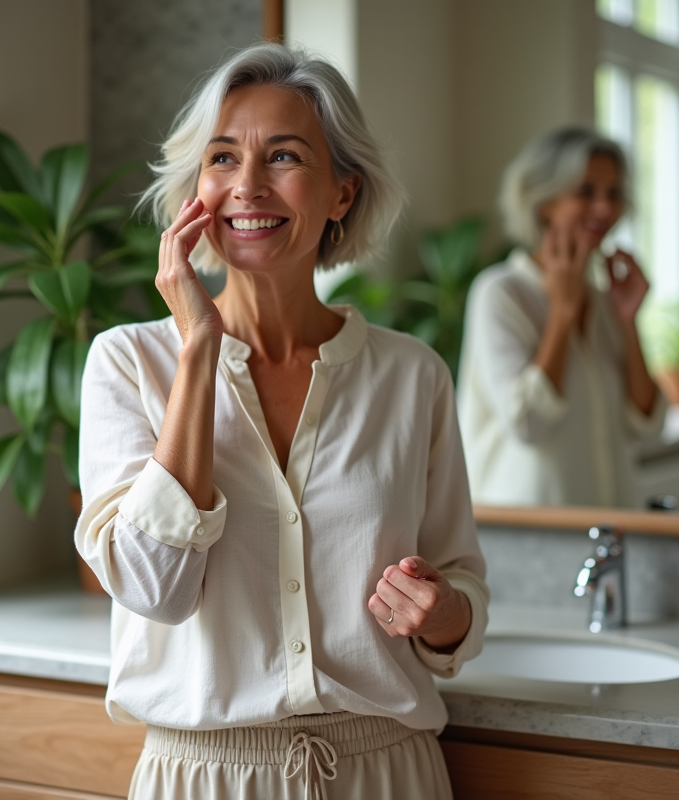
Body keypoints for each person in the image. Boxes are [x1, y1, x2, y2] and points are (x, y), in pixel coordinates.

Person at [75, 43, 489, 800]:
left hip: (385, 773)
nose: (247, 187)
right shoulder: (128, 364)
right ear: (193, 191)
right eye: (222, 158)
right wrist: (198, 352)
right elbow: (151, 587)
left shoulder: (412, 375)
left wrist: (444, 613)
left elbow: (459, 582)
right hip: (201, 777)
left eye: (285, 157)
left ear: (342, 193)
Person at [456, 127, 666, 508]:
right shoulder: (500, 293)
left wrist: (628, 320)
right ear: (542, 201)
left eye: (613, 194)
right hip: (531, 536)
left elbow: (648, 428)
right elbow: (528, 423)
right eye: (586, 191)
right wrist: (563, 311)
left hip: (611, 528)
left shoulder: (605, 303)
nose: (604, 208)